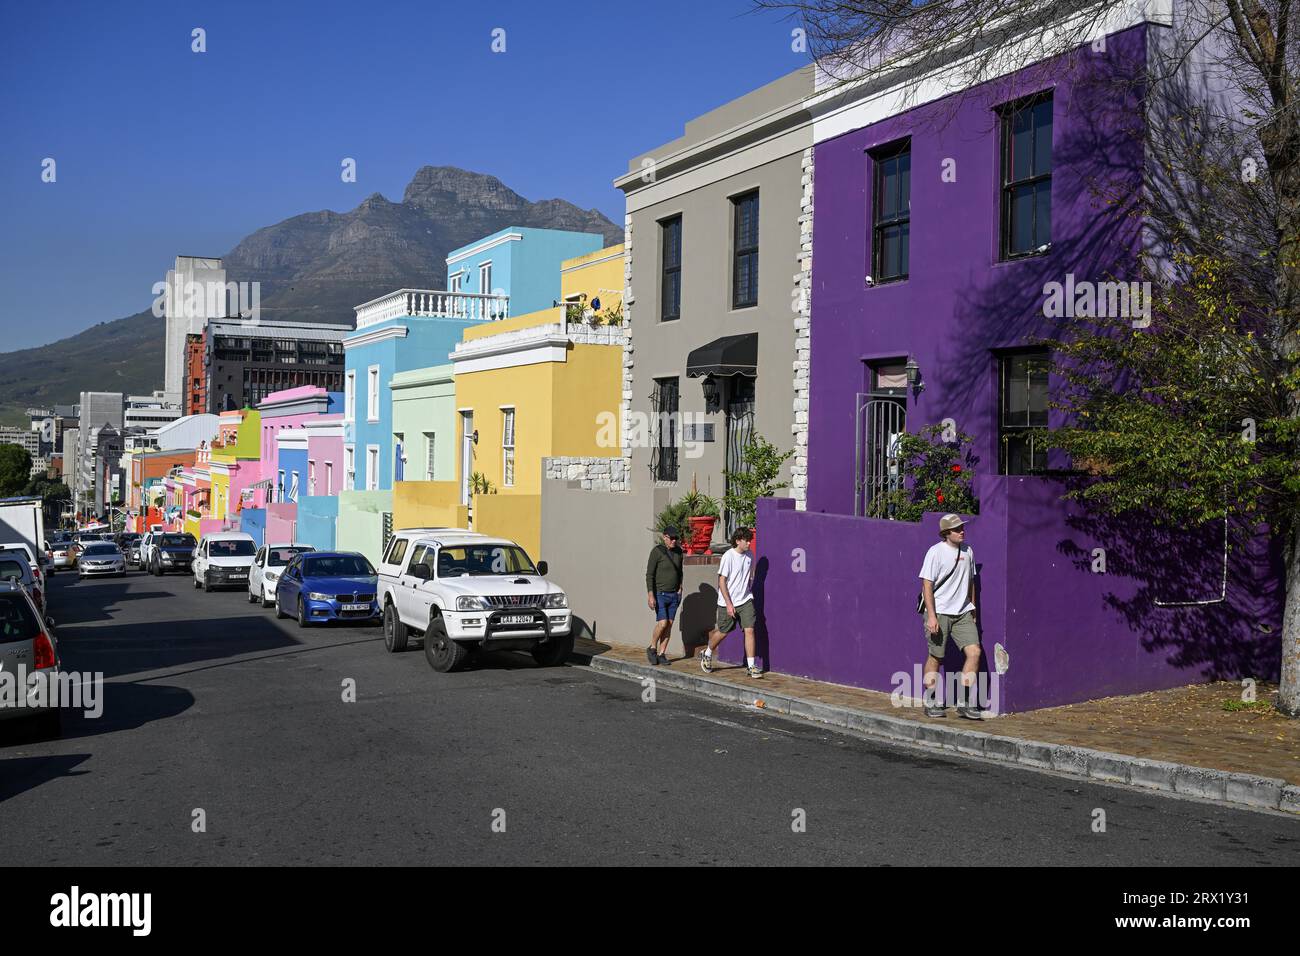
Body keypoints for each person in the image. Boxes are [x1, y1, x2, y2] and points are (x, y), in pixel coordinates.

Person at [918, 513, 980, 719]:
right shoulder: (935, 553)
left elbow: (971, 582)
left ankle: (963, 702)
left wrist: (973, 611)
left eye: (962, 528)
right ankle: (931, 700)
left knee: (975, 652)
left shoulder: (968, 551)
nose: (962, 531)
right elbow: (927, 585)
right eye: (956, 529)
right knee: (936, 657)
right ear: (946, 533)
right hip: (940, 612)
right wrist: (932, 617)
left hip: (962, 612)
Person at [700, 527, 760, 678]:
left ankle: (751, 666)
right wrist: (728, 603)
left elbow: (750, 576)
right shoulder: (728, 556)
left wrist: (747, 590)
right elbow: (721, 581)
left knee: (750, 629)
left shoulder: (750, 555)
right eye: (746, 540)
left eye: (750, 540)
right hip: (727, 601)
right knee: (723, 631)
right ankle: (707, 653)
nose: (749, 543)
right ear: (738, 541)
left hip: (745, 599)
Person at [645, 526, 684, 665]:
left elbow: (680, 572)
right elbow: (649, 575)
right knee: (662, 623)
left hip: (674, 595)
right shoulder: (657, 552)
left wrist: (680, 587)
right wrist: (651, 595)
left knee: (670, 625)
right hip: (660, 593)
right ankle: (652, 647)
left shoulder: (679, 552)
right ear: (665, 537)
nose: (674, 541)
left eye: (676, 538)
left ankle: (662, 653)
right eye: (671, 538)